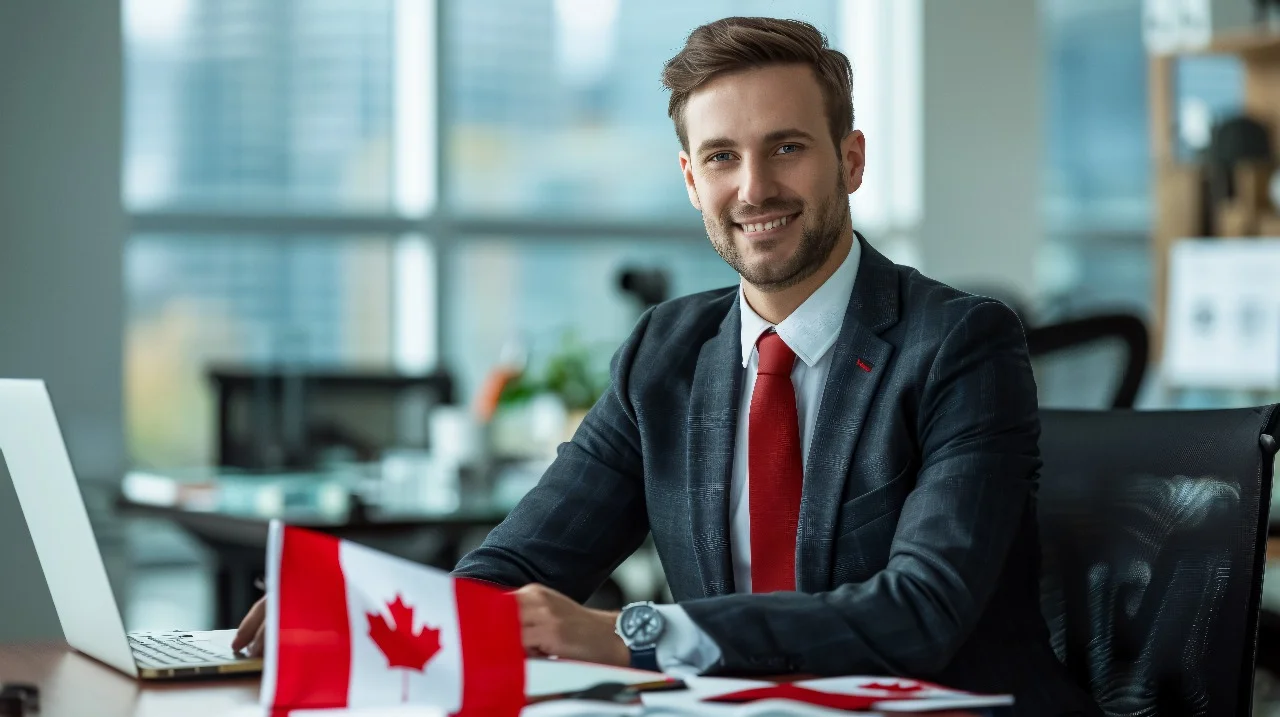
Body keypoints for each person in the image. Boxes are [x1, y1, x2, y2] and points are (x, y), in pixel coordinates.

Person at [235, 17, 1099, 715]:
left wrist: (633, 632)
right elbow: (524, 564)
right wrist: (372, 621)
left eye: (788, 147)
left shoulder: (960, 344)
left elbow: (919, 611)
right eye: (722, 157)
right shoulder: (665, 353)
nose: (754, 186)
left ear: (852, 159)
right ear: (692, 180)